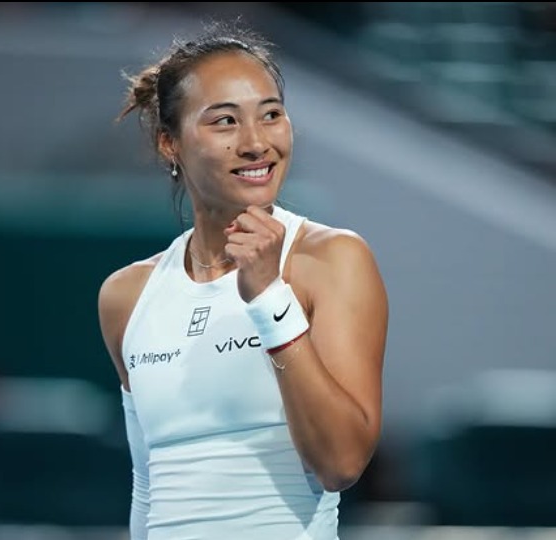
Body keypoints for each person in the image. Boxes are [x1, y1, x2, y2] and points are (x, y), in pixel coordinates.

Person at [98, 19, 389, 540]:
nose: (257, 143)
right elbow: (148, 489)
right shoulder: (126, 296)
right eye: (225, 121)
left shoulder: (333, 259)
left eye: (271, 115)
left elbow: (341, 463)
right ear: (169, 143)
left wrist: (270, 299)